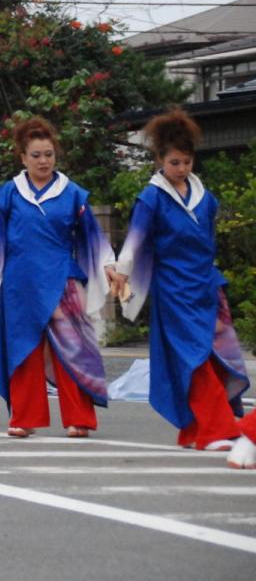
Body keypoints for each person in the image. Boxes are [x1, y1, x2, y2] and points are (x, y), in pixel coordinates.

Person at [110, 109, 248, 451]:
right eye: (174, 162)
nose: (182, 169)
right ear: (159, 160)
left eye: (186, 162)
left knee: (221, 355)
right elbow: (135, 241)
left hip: (206, 284)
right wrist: (122, 273)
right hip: (173, 289)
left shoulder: (205, 196)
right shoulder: (152, 197)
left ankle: (197, 429)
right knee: (193, 357)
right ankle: (214, 430)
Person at [0, 116, 114, 438]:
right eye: (36, 155)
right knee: (25, 350)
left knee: (73, 349)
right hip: (20, 282)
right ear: (23, 157)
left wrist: (108, 264)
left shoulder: (73, 194)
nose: (43, 161)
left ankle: (79, 418)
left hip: (63, 279)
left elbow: (92, 236)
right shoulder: (8, 195)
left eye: (48, 154)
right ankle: (24, 417)